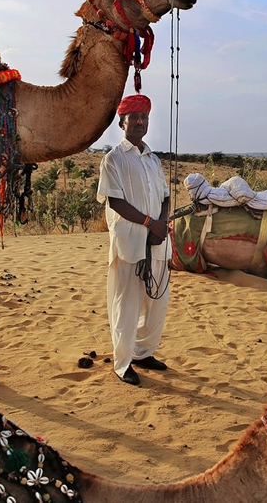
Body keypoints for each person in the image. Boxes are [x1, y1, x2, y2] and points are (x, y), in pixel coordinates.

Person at [96, 94, 171, 386]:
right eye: (134, 117)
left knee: (157, 303)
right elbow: (115, 201)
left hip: (158, 241)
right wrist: (149, 223)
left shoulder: (153, 159)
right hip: (129, 242)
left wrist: (161, 222)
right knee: (126, 305)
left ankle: (143, 352)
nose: (140, 121)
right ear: (122, 122)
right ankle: (123, 362)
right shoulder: (113, 158)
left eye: (144, 117)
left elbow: (165, 195)